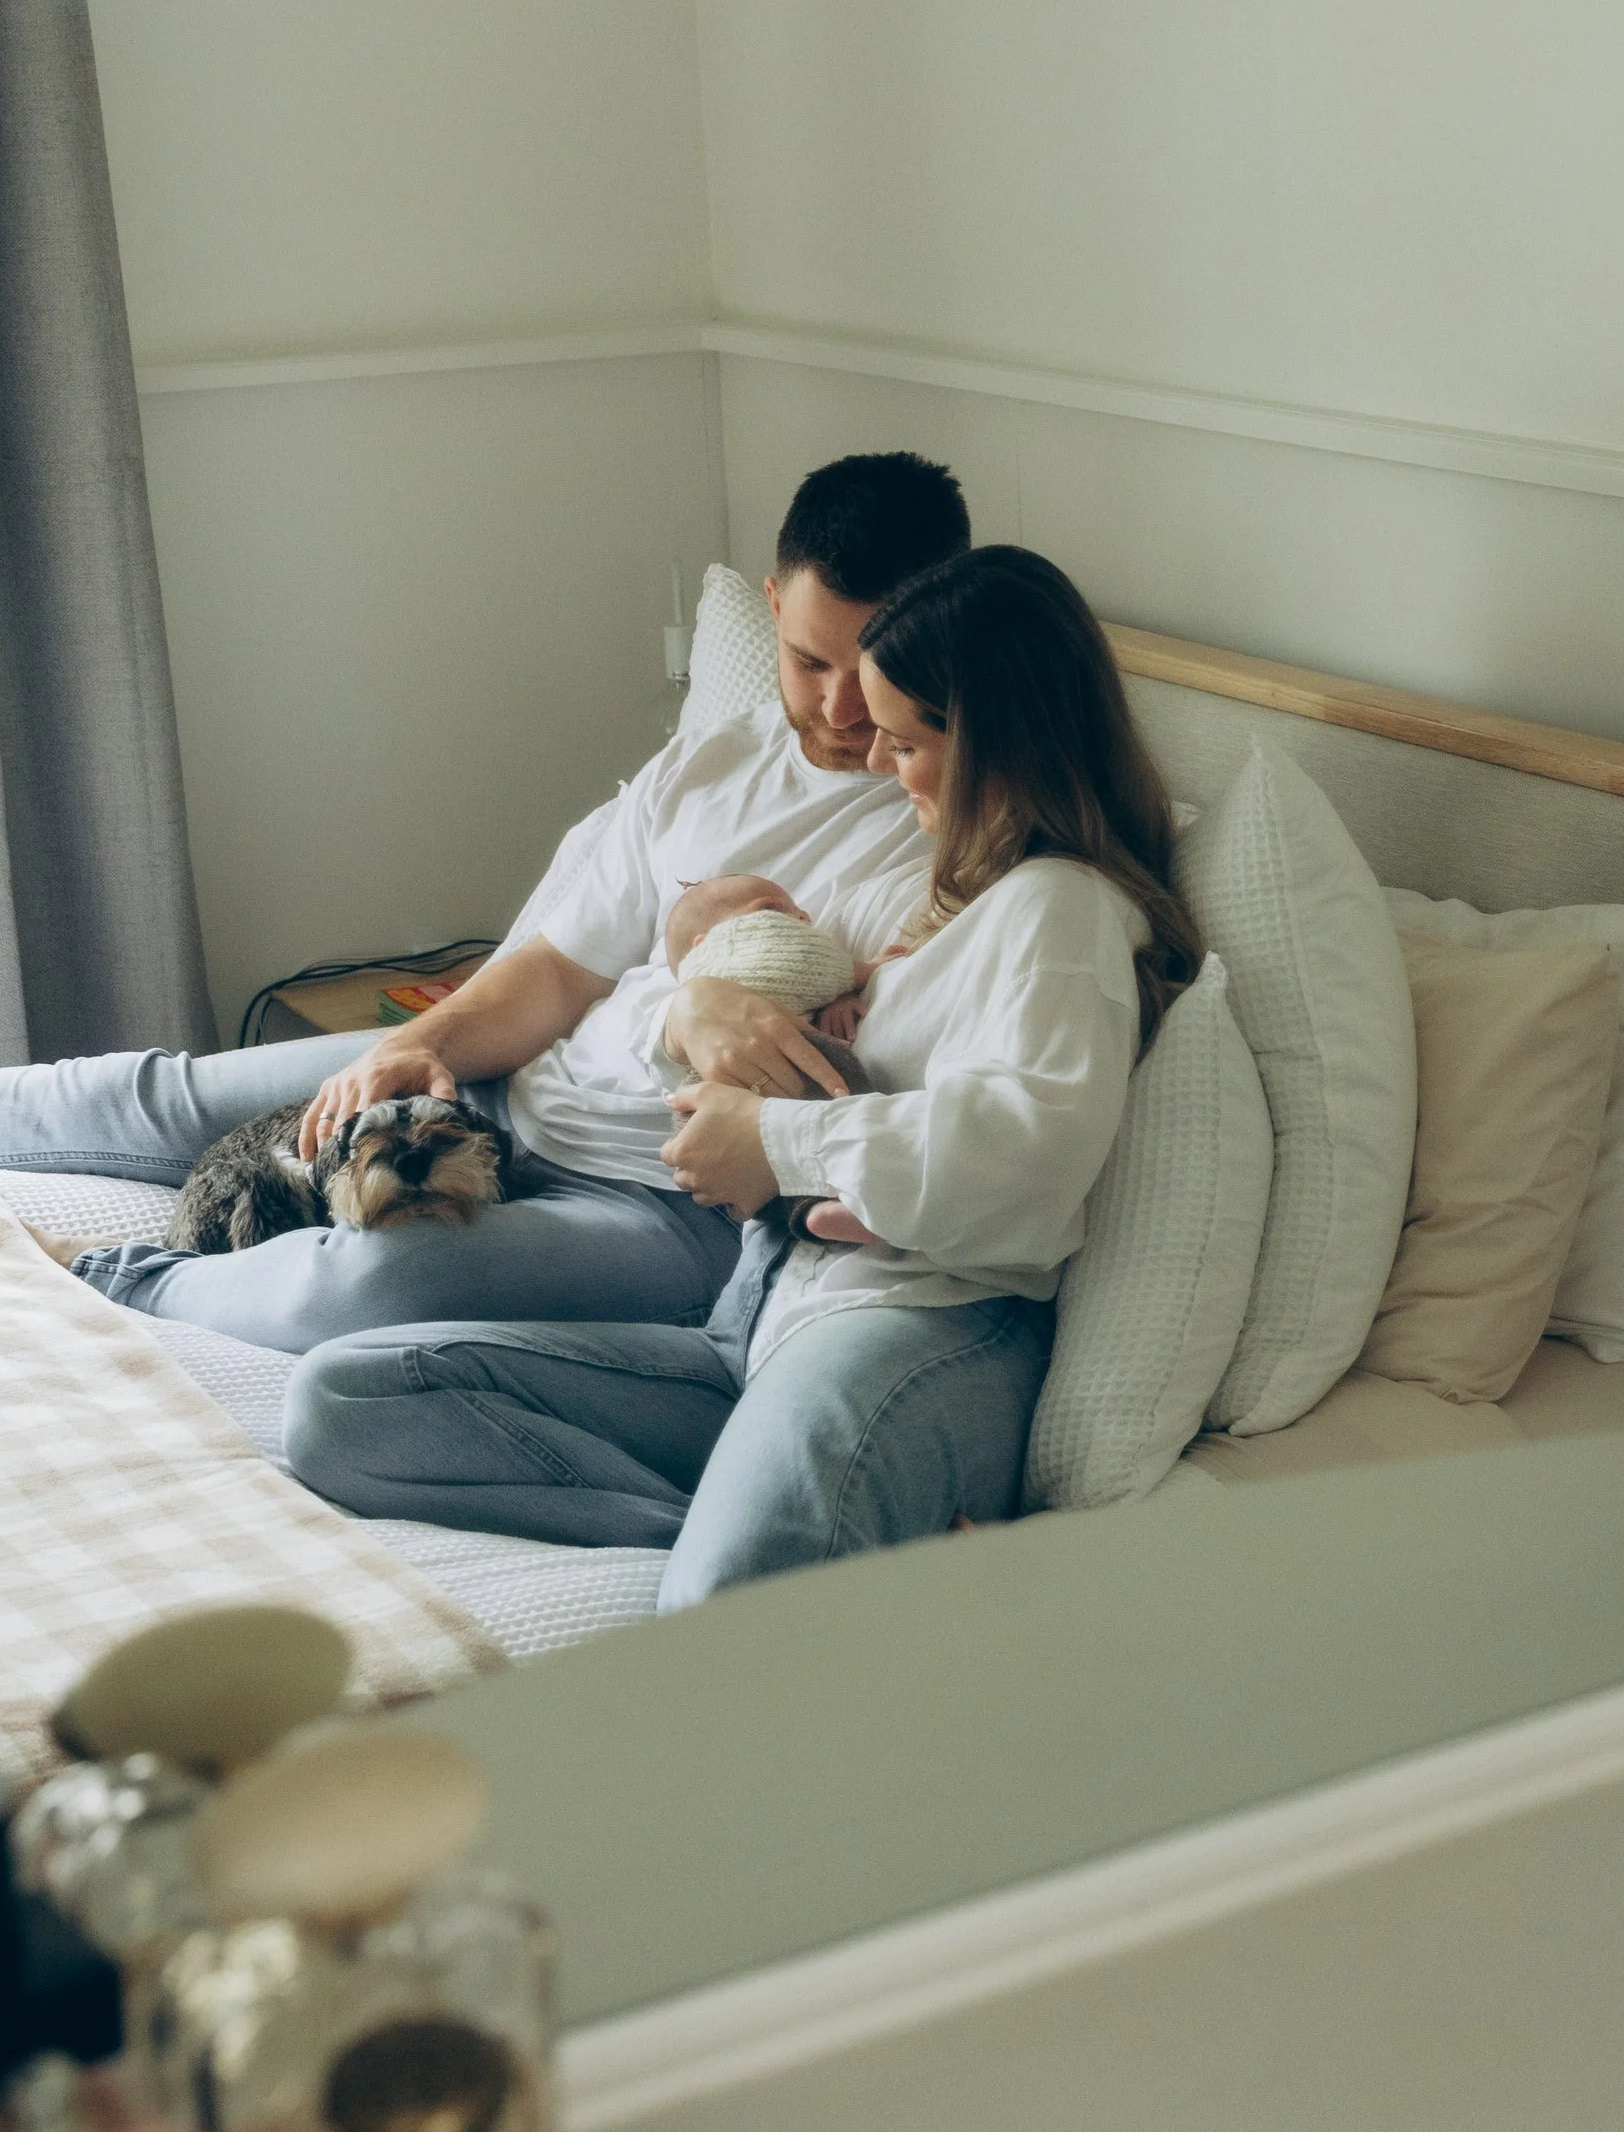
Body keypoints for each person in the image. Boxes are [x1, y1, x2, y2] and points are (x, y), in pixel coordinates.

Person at [0, 454, 969, 1356]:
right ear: (771, 607)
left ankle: (81, 1284)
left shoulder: (952, 826)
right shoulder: (719, 758)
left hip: (665, 1198)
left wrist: (704, 975)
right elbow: (552, 973)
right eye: (812, 661)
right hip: (514, 1085)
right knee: (175, 1092)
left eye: (873, 668)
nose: (845, 708)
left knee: (378, 1283)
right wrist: (412, 1047)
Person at [280, 545, 1202, 1603]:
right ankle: (799, 1535)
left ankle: (777, 1550)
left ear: (994, 742)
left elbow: (1026, 1156)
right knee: (343, 1404)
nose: (883, 767)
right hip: (764, 1310)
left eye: (905, 742)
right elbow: (784, 1008)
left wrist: (772, 1143)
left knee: (723, 1611)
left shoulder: (1063, 912)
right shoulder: (938, 899)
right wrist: (716, 1017)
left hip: (915, 1323)